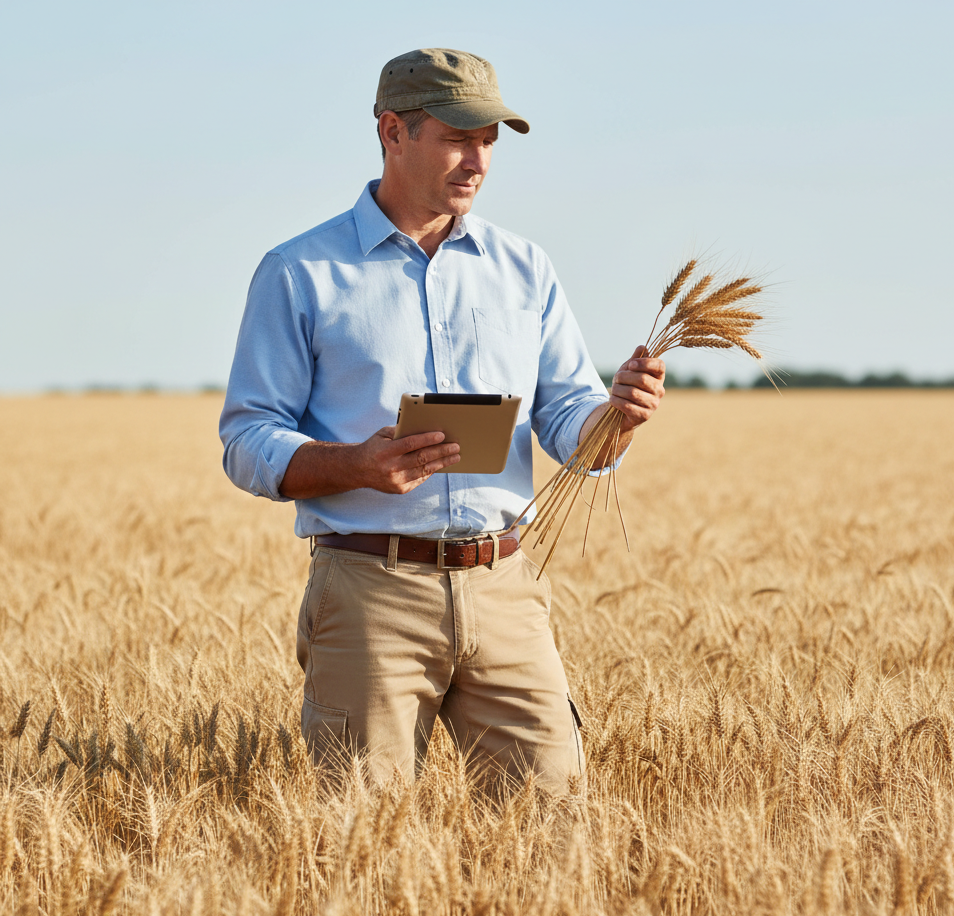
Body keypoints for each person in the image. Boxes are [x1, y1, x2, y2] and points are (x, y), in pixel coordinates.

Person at [219, 48, 665, 796]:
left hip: (506, 589)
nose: (478, 159)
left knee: (553, 832)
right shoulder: (300, 271)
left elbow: (566, 418)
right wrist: (353, 465)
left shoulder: (525, 268)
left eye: (489, 140)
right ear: (393, 131)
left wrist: (616, 418)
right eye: (459, 136)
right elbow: (248, 438)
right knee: (360, 846)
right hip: (369, 589)